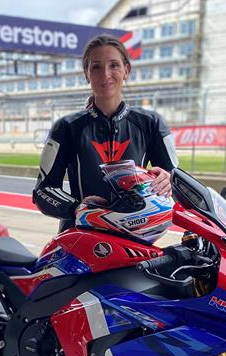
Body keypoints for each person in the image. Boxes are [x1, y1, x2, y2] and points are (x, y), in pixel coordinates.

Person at [33, 34, 179, 231]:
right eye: (96, 67)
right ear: (86, 74)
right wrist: (79, 209)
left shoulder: (151, 124)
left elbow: (176, 183)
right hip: (79, 236)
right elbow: (43, 191)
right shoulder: (66, 127)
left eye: (114, 65)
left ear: (126, 70)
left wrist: (168, 180)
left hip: (135, 238)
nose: (105, 74)